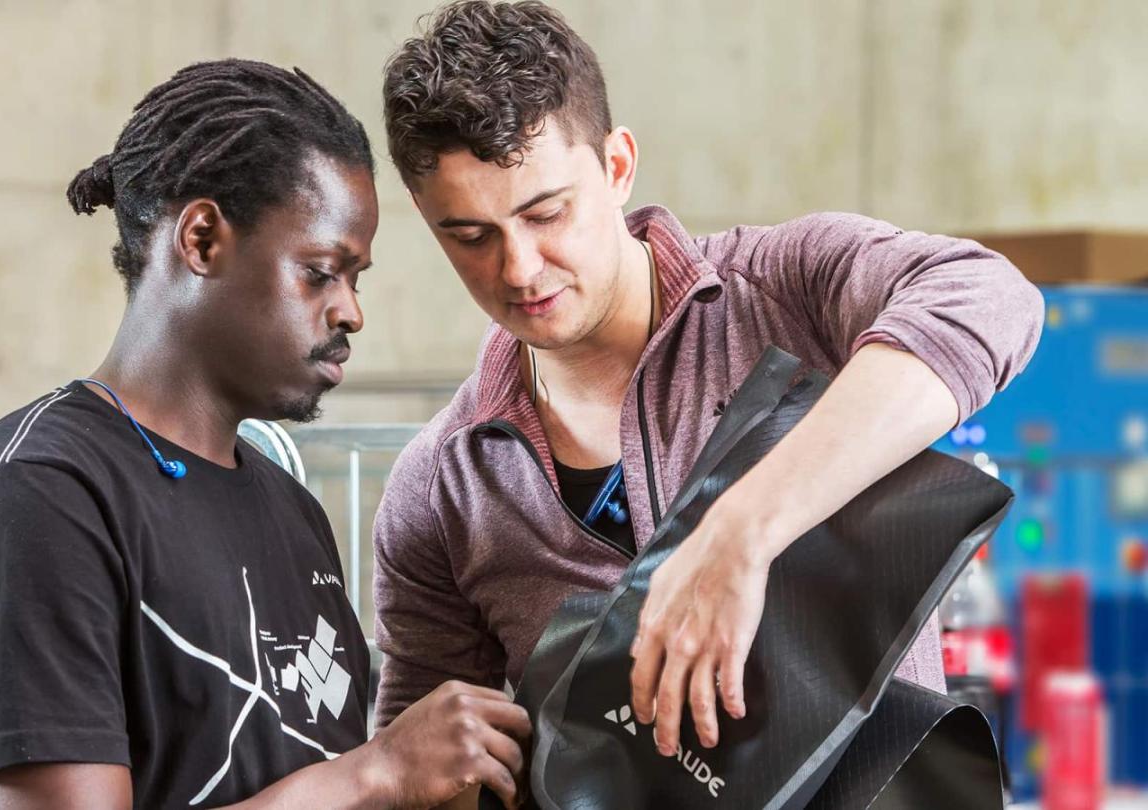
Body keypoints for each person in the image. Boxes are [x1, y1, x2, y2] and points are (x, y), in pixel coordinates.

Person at [372, 1, 1043, 801]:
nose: (518, 268)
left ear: (618, 166)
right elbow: (426, 762)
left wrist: (739, 530)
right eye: (470, 236)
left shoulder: (784, 293)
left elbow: (988, 298)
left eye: (545, 213)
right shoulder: (441, 489)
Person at [0, 59, 529, 810]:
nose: (351, 311)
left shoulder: (290, 510)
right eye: (321, 271)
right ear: (204, 239)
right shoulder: (42, 495)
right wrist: (374, 774)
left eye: (357, 279)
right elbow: (351, 784)